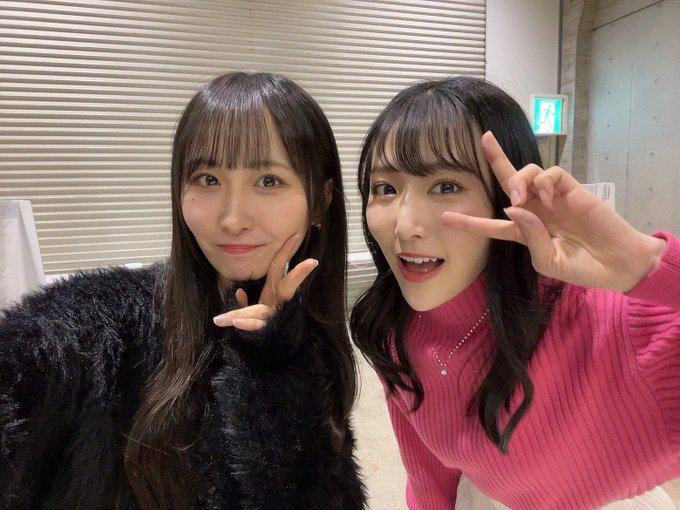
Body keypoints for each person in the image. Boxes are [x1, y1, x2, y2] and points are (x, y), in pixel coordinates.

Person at [0, 72, 366, 509]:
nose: (232, 219)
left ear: (320, 201)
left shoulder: (306, 340)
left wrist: (275, 366)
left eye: (268, 180)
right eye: (208, 179)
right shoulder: (99, 326)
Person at [350, 75, 680, 509]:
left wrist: (645, 262)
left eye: (446, 186)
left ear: (506, 199)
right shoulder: (392, 329)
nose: (404, 226)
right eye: (386, 189)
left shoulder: (611, 325)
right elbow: (428, 473)